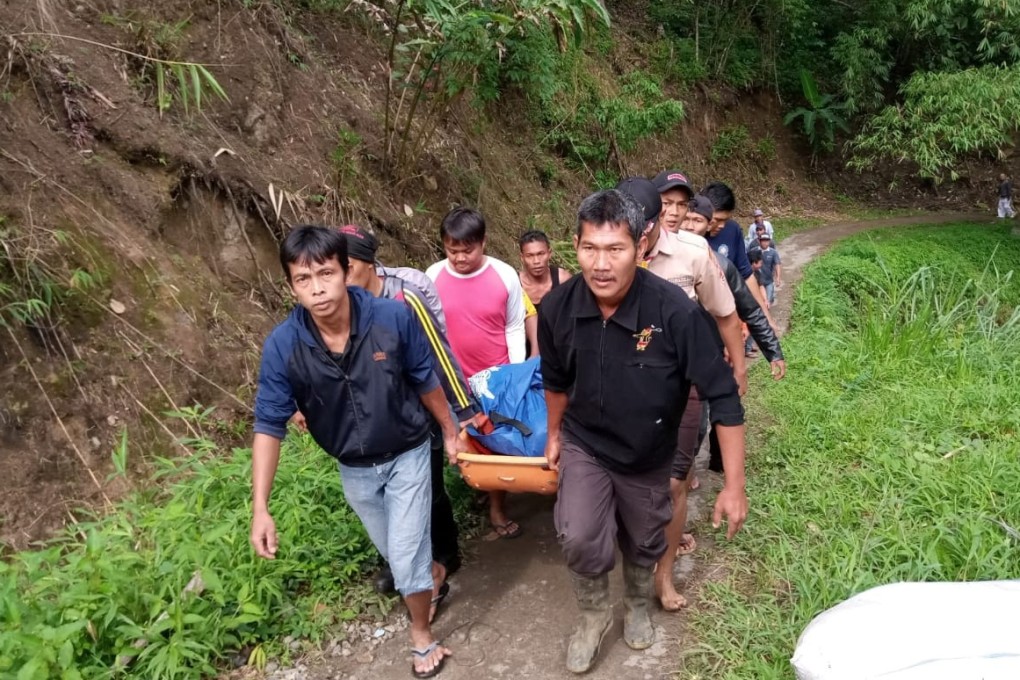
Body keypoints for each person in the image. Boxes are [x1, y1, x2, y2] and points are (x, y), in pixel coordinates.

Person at [539, 189, 748, 674]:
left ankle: (635, 603)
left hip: (650, 450)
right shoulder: (558, 309)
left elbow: (723, 396)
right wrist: (553, 435)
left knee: (644, 536)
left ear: (641, 246)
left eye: (616, 249)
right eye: (590, 248)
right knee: (579, 533)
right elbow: (555, 382)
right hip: (586, 442)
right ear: (575, 245)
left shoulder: (674, 312)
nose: (601, 264)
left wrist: (734, 486)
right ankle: (593, 616)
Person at [250, 226, 458, 678]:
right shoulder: (284, 346)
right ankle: (433, 573)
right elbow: (268, 424)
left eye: (326, 273)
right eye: (303, 279)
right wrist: (260, 507)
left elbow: (426, 378)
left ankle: (421, 633)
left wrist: (450, 429)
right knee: (400, 553)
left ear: (347, 271)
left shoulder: (392, 319)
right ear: (291, 285)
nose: (318, 288)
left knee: (403, 559)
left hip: (408, 451)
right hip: (354, 468)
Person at [620, 175, 745, 612]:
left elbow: (726, 314)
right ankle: (634, 558)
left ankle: (664, 575)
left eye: (647, 226)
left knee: (674, 483)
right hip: (624, 389)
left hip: (683, 387)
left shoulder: (692, 253)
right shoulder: (609, 252)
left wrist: (737, 373)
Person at [338, 224, 478, 602]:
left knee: (427, 490)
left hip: (421, 409)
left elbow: (438, 354)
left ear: (369, 265)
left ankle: (444, 553)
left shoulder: (404, 298)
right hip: (374, 416)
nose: (339, 274)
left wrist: (463, 410)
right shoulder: (340, 306)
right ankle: (404, 561)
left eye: (347, 265)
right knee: (380, 495)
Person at [426, 208, 527, 539]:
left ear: (483, 242)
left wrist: (512, 376)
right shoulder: (433, 277)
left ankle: (497, 506)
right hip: (451, 383)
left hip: (493, 380)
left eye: (466, 250)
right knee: (460, 441)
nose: (458, 258)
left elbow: (514, 326)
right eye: (451, 250)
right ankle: (478, 488)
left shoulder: (505, 275)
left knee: (492, 443)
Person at [702, 181, 769, 312]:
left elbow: (746, 274)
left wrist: (766, 315)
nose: (721, 225)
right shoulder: (688, 233)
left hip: (727, 309)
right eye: (717, 220)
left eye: (725, 220)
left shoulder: (732, 230)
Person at [518, 230, 571, 309]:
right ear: (522, 258)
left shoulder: (563, 279)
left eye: (541, 254)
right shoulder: (515, 283)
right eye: (529, 256)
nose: (536, 261)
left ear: (549, 253)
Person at [756, 234, 782, 304]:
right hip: (757, 281)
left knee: (768, 301)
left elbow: (777, 264)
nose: (765, 242)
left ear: (769, 241)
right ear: (759, 241)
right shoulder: (754, 251)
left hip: (768, 281)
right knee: (759, 302)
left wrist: (778, 278)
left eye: (766, 241)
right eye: (763, 240)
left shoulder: (773, 252)